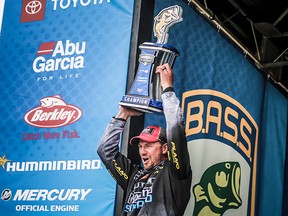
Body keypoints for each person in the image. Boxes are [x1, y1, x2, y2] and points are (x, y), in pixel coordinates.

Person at [97, 63, 192, 216]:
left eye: (148, 145)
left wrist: (167, 88)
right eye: (140, 146)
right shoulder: (134, 175)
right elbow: (104, 151)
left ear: (165, 148)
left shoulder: (174, 172)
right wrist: (123, 114)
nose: (142, 151)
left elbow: (176, 127)